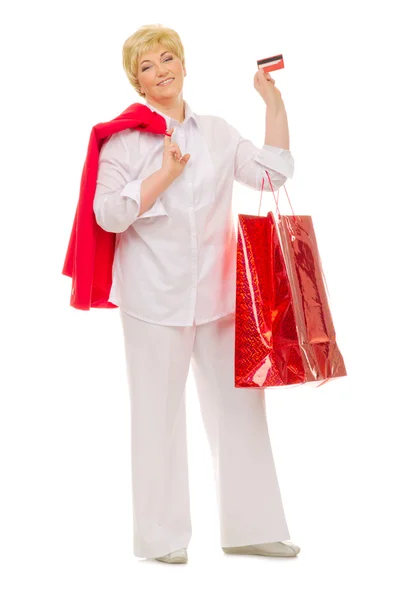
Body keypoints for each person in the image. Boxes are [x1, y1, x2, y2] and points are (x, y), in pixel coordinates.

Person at [93, 24, 299, 564]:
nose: (160, 70)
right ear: (136, 82)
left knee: (241, 411)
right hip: (153, 301)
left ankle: (252, 528)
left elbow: (274, 176)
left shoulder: (217, 133)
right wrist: (161, 176)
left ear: (184, 64)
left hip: (219, 297)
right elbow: (109, 213)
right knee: (157, 417)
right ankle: (161, 539)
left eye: (167, 59)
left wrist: (272, 102)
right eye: (147, 66)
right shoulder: (125, 141)